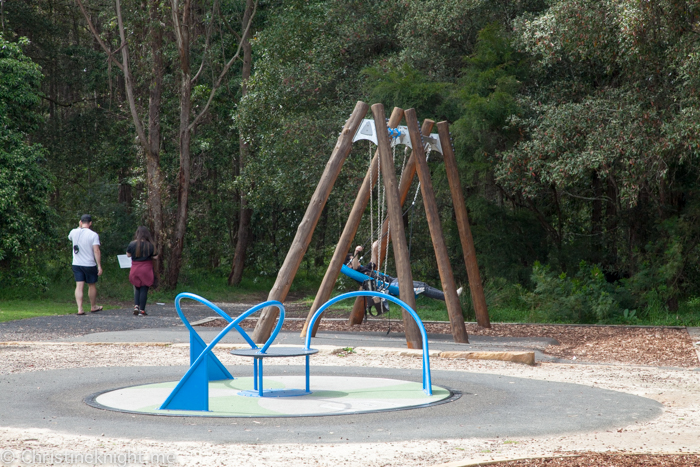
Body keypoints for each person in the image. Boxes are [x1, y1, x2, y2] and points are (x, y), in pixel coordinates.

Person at [68, 214, 103, 315]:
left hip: (76, 263)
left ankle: (80, 308)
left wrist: (79, 227)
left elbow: (69, 237)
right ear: (90, 223)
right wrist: (99, 265)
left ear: (80, 222)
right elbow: (96, 250)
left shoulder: (74, 232)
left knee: (79, 286)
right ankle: (93, 306)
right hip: (89, 263)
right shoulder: (93, 235)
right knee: (91, 285)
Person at [126, 226, 158, 316]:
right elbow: (156, 256)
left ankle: (136, 306)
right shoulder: (150, 245)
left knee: (137, 287)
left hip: (135, 268)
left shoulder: (132, 244)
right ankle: (142, 310)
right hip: (146, 268)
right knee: (144, 288)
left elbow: (128, 255)